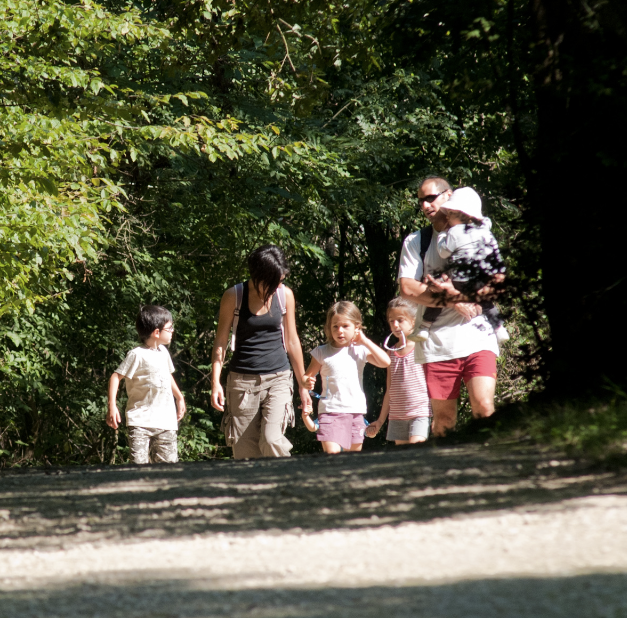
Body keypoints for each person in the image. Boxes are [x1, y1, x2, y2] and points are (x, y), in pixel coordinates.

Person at [398, 176, 502, 437]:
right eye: (421, 200)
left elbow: (499, 283)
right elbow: (408, 289)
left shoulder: (479, 231)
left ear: (449, 195)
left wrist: (463, 293)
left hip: (478, 336)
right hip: (437, 343)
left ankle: (492, 468)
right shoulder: (416, 241)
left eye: (430, 198)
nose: (425, 205)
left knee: (484, 406)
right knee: (444, 420)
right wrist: (455, 300)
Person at [211, 244, 311, 459]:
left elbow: (293, 341)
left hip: (279, 378)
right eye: (272, 282)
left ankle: (291, 483)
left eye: (280, 280)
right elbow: (220, 342)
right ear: (257, 275)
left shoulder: (285, 296)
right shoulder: (234, 296)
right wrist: (215, 382)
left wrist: (303, 384)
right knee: (246, 456)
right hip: (241, 384)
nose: (277, 286)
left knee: (272, 439)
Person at [414, 187, 509, 344]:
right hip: (479, 278)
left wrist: (443, 235)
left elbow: (444, 252)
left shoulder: (454, 231)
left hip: (460, 279)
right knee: (487, 303)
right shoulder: (484, 231)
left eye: (450, 214)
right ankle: (499, 328)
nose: (448, 218)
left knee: (440, 298)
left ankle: (424, 327)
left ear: (461, 214)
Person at [302, 301, 390, 454]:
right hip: (330, 412)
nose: (340, 331)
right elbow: (306, 378)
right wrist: (307, 382)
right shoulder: (321, 352)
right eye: (335, 326)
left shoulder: (360, 350)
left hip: (355, 412)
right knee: (333, 459)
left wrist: (364, 341)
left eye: (345, 326)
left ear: (357, 327)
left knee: (353, 462)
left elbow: (385, 362)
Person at [107, 305, 186, 464]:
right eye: (169, 328)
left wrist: (179, 397)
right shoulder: (137, 354)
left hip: (166, 422)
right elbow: (116, 377)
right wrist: (112, 406)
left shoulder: (163, 352)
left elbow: (167, 375)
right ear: (157, 332)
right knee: (138, 469)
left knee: (169, 470)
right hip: (140, 421)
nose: (172, 331)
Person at [365, 297, 432, 444]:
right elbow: (390, 389)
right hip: (397, 416)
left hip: (419, 413)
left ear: (413, 321)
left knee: (416, 452)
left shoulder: (422, 347)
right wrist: (380, 421)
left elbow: (433, 382)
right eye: (391, 321)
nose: (395, 325)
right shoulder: (390, 353)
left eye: (400, 320)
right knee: (403, 460)